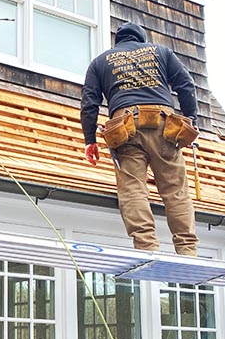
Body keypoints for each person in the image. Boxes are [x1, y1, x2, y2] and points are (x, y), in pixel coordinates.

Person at [80, 22, 199, 256]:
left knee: (133, 188)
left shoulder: (100, 62)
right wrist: (191, 119)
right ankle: (187, 250)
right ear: (141, 39)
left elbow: (89, 103)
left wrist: (89, 139)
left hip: (124, 127)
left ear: (119, 42)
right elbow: (186, 85)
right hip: (164, 125)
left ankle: (146, 248)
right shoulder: (161, 52)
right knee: (175, 189)